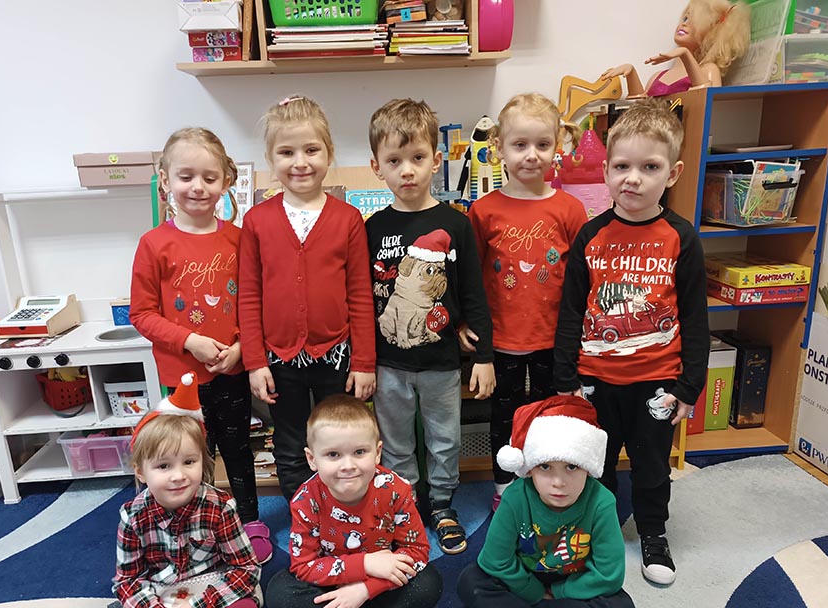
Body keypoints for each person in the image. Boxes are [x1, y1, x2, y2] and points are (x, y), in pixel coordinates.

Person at [553, 98, 709, 586]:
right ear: (606, 171)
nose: (633, 179)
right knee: (594, 464)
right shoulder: (591, 236)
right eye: (621, 166)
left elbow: (695, 317)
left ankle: (653, 531)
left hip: (656, 383)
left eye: (650, 167)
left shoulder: (682, 238)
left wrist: (690, 386)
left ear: (673, 173)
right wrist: (565, 378)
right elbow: (571, 310)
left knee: (651, 465)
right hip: (595, 381)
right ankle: (594, 530)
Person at [130, 127, 271, 564]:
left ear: (226, 181)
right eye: (186, 176)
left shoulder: (239, 238)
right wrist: (190, 341)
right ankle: (198, 525)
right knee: (190, 456)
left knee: (237, 448)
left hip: (231, 371)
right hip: (182, 380)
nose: (198, 187)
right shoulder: (153, 244)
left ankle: (249, 520)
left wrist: (243, 347)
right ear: (165, 179)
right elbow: (142, 314)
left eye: (209, 178)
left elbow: (255, 301)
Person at [366, 98, 495, 555]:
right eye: (394, 161)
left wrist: (483, 355)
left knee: (445, 439)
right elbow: (361, 298)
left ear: (436, 161)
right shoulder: (372, 228)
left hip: (441, 362)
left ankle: (441, 505)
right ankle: (404, 507)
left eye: (417, 158)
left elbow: (472, 292)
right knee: (395, 442)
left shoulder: (456, 225)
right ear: (377, 167)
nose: (407, 170)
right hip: (388, 363)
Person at [238, 95, 376, 501]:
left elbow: (360, 294)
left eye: (311, 150)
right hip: (280, 358)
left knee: (342, 438)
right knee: (290, 441)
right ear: (270, 159)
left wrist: (364, 363)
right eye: (287, 152)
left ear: (329, 153)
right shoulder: (256, 221)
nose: (300, 162)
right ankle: (304, 517)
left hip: (337, 355)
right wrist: (255, 362)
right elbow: (249, 295)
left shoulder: (348, 219)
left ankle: (344, 509)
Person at [93, 373, 262, 608]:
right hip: (161, 601)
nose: (178, 475)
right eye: (163, 466)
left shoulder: (220, 506)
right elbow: (126, 582)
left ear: (203, 461)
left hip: (212, 600)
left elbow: (246, 570)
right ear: (141, 471)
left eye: (189, 462)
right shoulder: (133, 516)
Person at [467, 92, 588, 512]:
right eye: (520, 145)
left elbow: (582, 279)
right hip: (500, 341)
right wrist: (467, 324)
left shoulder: (570, 209)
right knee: (503, 417)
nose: (531, 155)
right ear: (498, 148)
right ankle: (504, 488)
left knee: (549, 418)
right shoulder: (483, 211)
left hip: (553, 341)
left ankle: (546, 485)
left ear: (558, 147)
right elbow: (471, 278)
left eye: (542, 144)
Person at [457, 395, 637, 608]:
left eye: (571, 466)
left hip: (573, 585)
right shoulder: (515, 497)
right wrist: (533, 591)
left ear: (588, 467)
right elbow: (496, 561)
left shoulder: (602, 502)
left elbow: (608, 575)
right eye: (545, 466)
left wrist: (559, 591)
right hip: (522, 579)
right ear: (529, 467)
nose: (558, 482)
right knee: (470, 581)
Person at [265, 395, 442, 608]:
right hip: (329, 581)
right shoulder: (305, 500)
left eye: (359, 452)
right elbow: (303, 566)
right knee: (278, 593)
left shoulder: (396, 489)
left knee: (429, 584)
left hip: (381, 579)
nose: (348, 465)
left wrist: (365, 589)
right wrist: (365, 564)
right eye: (333, 455)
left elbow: (417, 552)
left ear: (377, 452)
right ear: (312, 459)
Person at [601, 0, 751, 97]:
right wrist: (631, 73)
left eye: (695, 21)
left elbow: (707, 106)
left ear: (712, 33)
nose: (684, 24)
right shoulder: (657, 76)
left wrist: (685, 54)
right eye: (685, 18)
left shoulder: (708, 70)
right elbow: (640, 109)